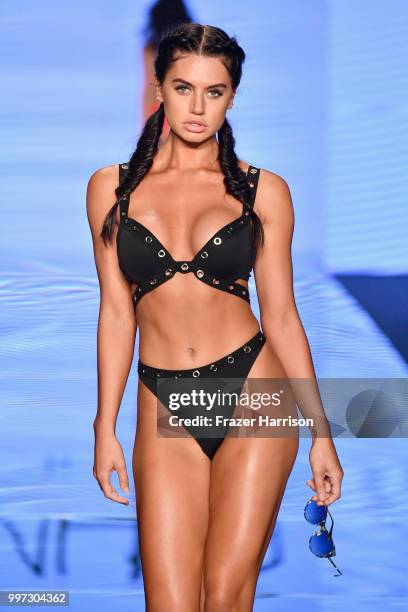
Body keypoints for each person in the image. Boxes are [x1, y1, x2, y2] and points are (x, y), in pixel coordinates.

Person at [87, 22, 344, 612]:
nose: (198, 107)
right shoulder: (111, 190)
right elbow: (116, 314)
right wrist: (104, 426)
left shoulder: (263, 192)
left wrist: (321, 435)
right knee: (170, 604)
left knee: (226, 597)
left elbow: (281, 315)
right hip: (162, 396)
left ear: (232, 96)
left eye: (215, 91)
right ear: (158, 88)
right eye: (183, 88)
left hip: (253, 388)